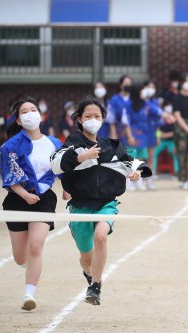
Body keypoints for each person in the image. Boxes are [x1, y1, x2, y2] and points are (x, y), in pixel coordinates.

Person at [50, 97, 151, 305]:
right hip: (79, 206)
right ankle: (90, 273)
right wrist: (82, 156)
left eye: (97, 116)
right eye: (88, 116)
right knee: (86, 258)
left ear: (103, 119)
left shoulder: (112, 146)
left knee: (101, 236)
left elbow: (133, 162)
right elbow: (55, 164)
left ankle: (95, 287)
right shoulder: (72, 144)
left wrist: (137, 172)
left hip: (106, 203)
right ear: (79, 119)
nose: (92, 120)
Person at [0, 97, 62, 311]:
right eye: (24, 112)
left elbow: (63, 169)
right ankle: (28, 267)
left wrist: (69, 190)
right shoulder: (10, 146)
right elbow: (9, 178)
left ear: (40, 115)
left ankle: (29, 294)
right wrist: (25, 195)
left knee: (36, 245)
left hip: (44, 199)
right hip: (17, 200)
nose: (30, 114)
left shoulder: (54, 143)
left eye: (33, 109)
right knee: (20, 257)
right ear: (18, 120)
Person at [126, 82, 162, 191]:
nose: (145, 91)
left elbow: (159, 116)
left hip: (147, 134)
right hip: (135, 133)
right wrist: (130, 136)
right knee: (132, 158)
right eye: (143, 89)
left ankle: (140, 179)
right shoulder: (129, 104)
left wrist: (158, 135)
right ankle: (129, 180)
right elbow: (126, 122)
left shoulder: (149, 103)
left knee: (143, 158)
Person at [152, 101, 179, 177]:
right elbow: (157, 131)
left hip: (172, 142)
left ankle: (177, 172)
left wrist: (164, 135)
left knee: (175, 152)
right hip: (161, 141)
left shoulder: (175, 120)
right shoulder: (161, 120)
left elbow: (175, 134)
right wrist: (160, 136)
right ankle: (153, 171)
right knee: (154, 153)